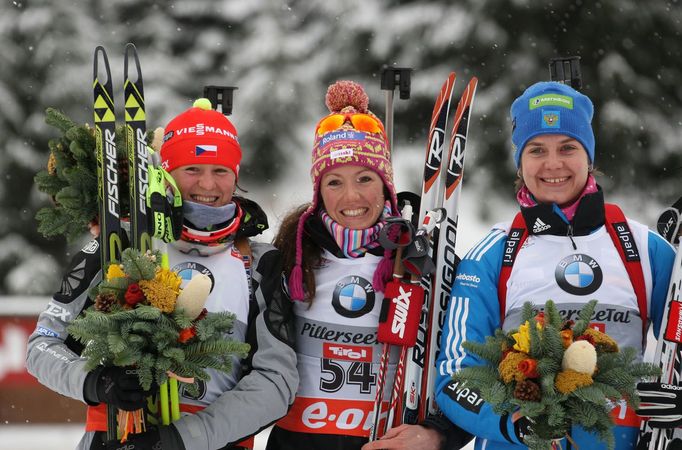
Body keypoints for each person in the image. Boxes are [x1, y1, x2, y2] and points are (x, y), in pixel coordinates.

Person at [26, 99, 298, 450]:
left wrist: (178, 440)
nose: (208, 185)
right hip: (116, 436)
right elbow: (42, 345)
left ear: (236, 177)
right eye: (192, 169)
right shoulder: (121, 242)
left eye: (220, 170)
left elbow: (276, 383)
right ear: (166, 173)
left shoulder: (261, 264)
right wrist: (96, 382)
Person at [434, 81, 676, 449]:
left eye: (568, 147)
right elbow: (455, 374)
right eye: (536, 150)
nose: (552, 164)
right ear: (520, 160)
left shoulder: (644, 248)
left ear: (589, 157)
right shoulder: (493, 253)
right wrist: (511, 423)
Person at [266, 80, 470, 450]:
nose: (352, 196)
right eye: (334, 182)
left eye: (365, 178)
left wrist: (439, 436)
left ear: (386, 185)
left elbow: (470, 369)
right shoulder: (288, 260)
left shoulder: (425, 261)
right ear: (318, 190)